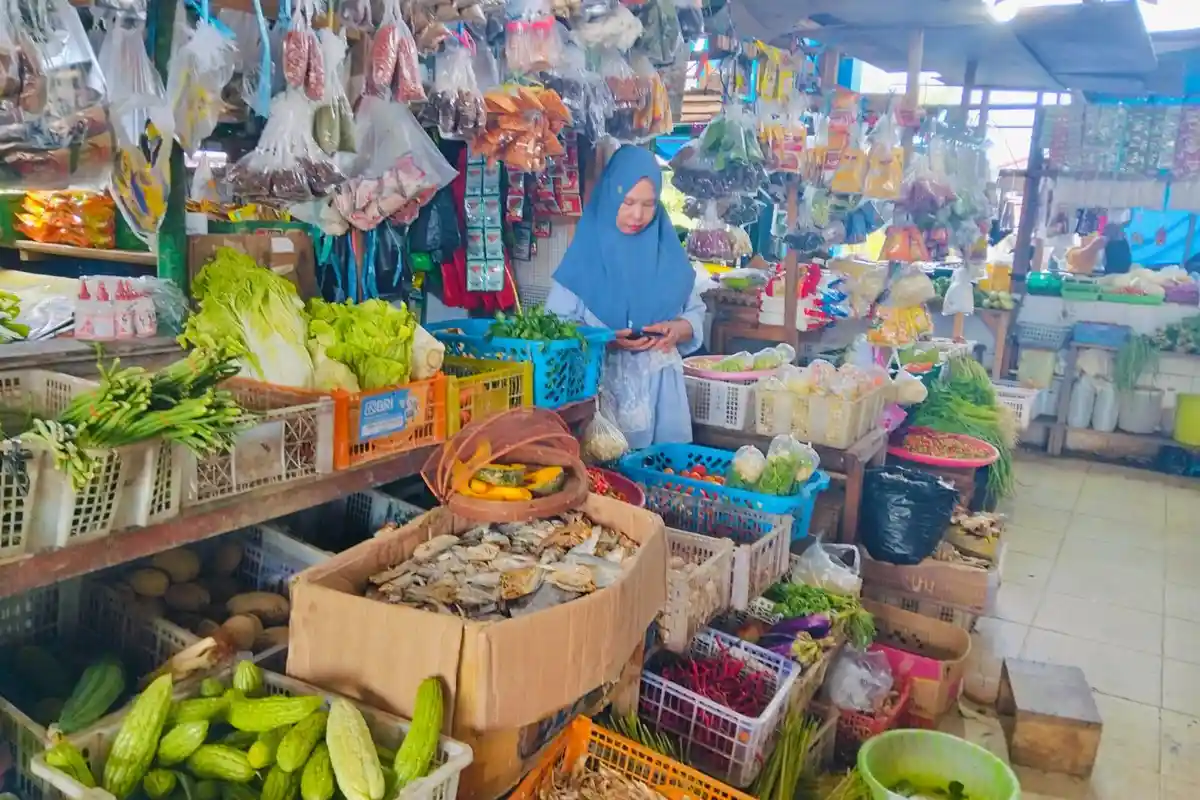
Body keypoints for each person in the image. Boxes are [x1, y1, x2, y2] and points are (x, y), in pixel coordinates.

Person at [546, 145, 706, 448]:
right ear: (610, 198)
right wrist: (604, 337)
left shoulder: (668, 255)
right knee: (607, 478)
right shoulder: (584, 258)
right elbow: (554, 327)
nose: (638, 215)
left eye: (649, 204)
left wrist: (677, 330)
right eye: (628, 202)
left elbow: (695, 314)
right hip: (600, 396)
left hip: (663, 396)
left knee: (662, 476)